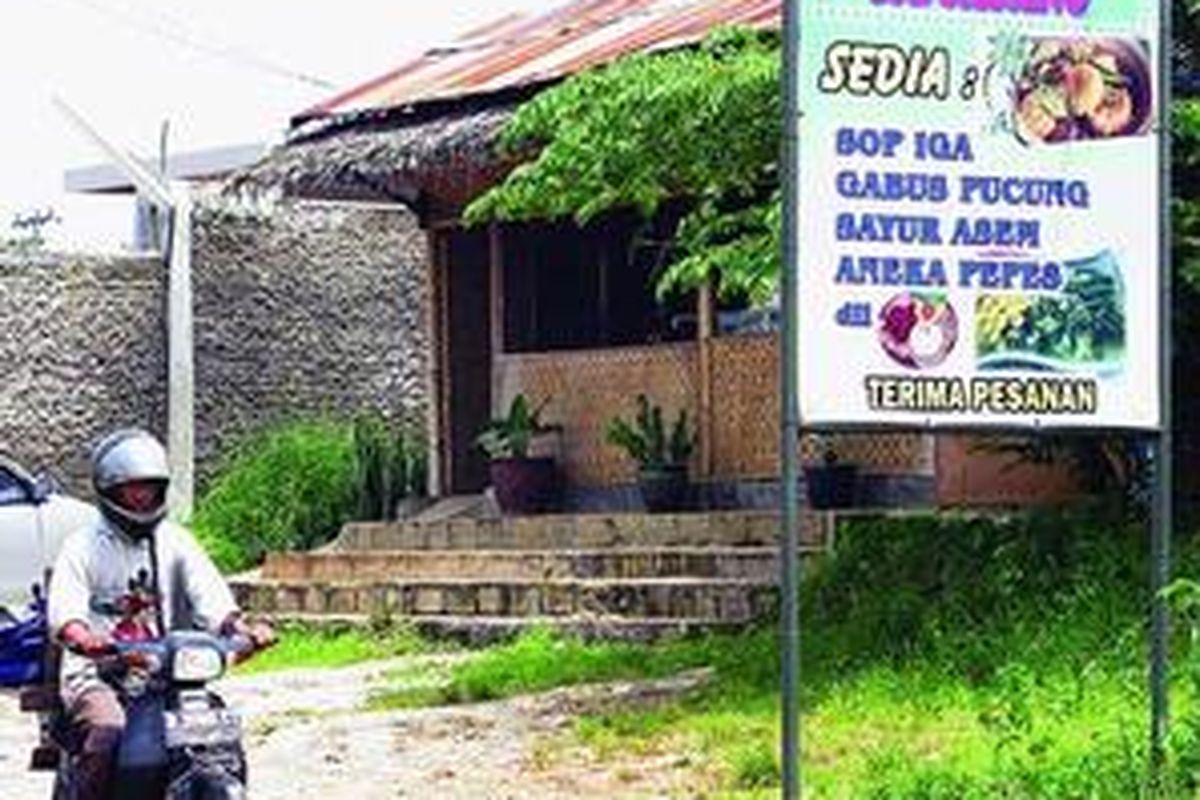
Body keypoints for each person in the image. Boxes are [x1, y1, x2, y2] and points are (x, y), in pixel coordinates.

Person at [47, 428, 274, 800]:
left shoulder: (176, 541)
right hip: (100, 675)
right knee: (107, 731)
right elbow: (67, 611)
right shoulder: (82, 546)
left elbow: (211, 595)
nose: (141, 496)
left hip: (170, 677)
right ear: (108, 490)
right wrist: (83, 637)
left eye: (149, 487)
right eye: (131, 488)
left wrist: (239, 626)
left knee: (218, 736)